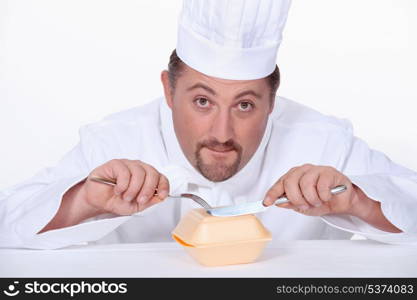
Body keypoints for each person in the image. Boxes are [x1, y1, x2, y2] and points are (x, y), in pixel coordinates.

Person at [1, 0, 416, 249]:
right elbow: (7, 225)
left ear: (273, 100)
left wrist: (359, 202)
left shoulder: (325, 143)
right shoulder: (112, 141)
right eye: (202, 101)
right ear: (168, 90)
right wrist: (82, 201)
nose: (222, 132)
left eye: (246, 105)